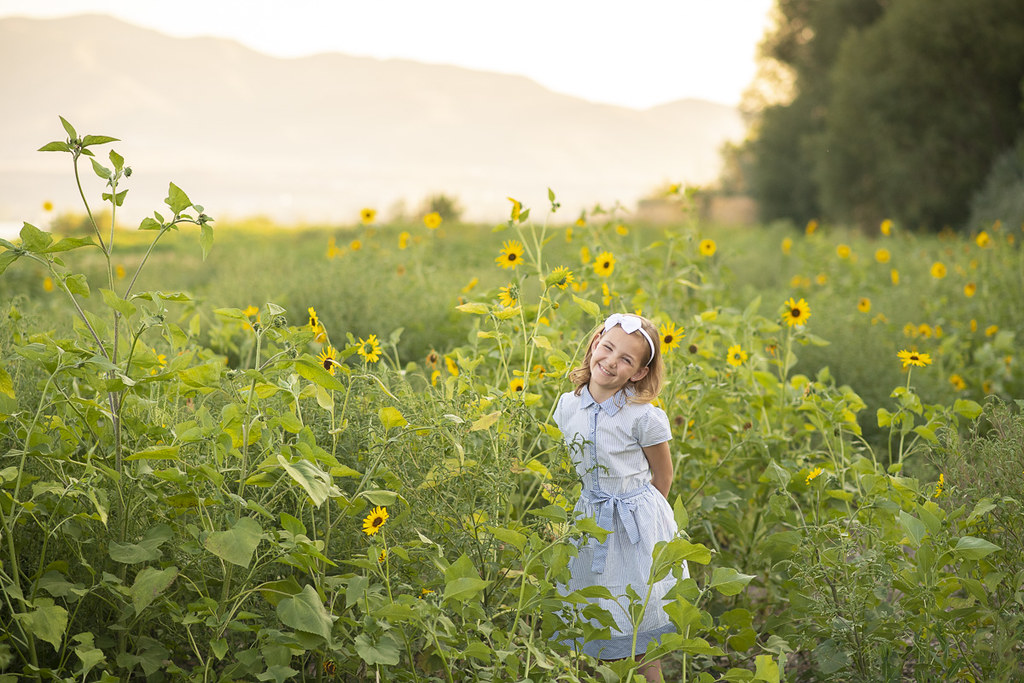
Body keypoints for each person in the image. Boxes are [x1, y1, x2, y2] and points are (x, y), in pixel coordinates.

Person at [553, 313, 687, 682]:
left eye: (626, 359)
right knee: (596, 619)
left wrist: (646, 524)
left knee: (637, 628)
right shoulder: (567, 406)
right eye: (608, 348)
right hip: (590, 520)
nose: (611, 361)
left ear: (639, 373)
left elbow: (663, 476)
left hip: (635, 526)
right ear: (595, 343)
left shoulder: (642, 417)